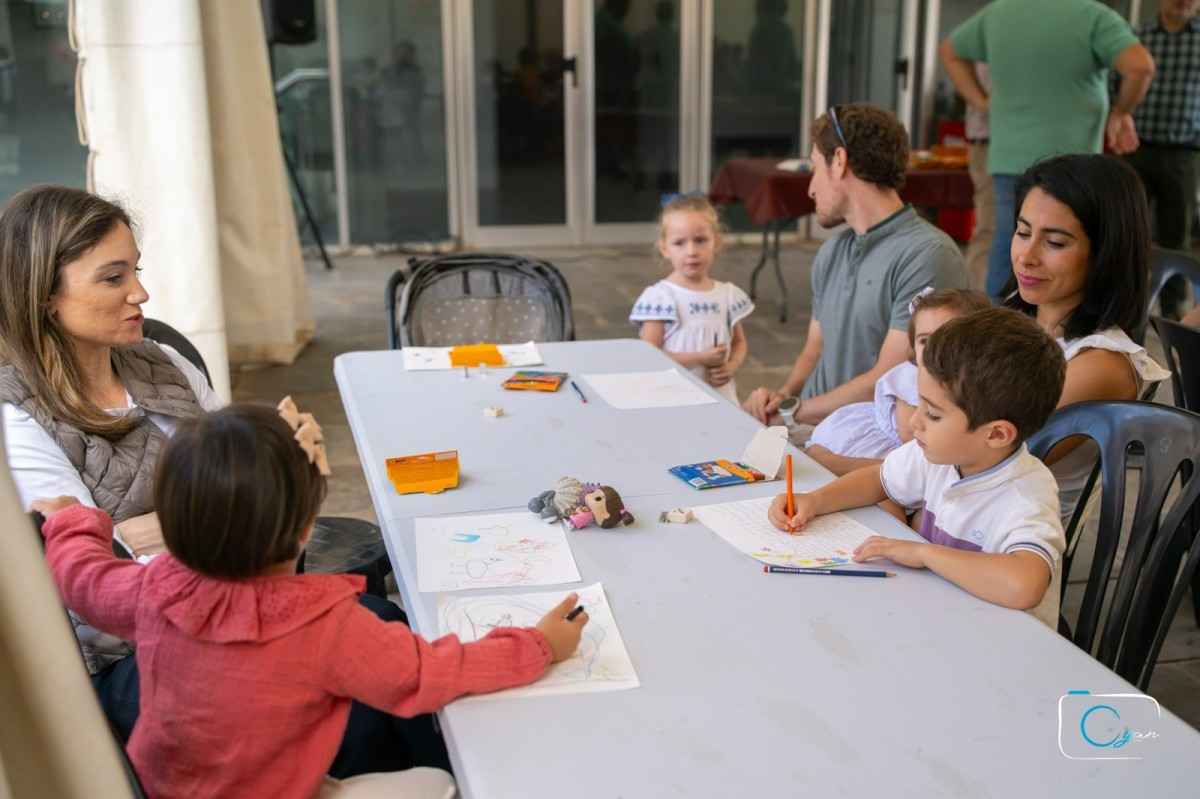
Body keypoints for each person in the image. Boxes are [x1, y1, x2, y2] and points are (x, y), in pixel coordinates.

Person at [0, 185, 437, 777]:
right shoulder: (14, 413)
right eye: (113, 277)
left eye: (137, 270)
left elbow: (237, 483)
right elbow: (83, 564)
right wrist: (237, 500)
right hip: (139, 653)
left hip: (241, 601)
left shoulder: (163, 362)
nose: (141, 293)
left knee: (386, 629)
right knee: (353, 693)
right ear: (45, 294)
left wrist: (271, 466)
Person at [31, 403, 588, 798]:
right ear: (305, 532)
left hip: (163, 787)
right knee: (438, 785)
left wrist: (70, 522)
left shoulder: (154, 588)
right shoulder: (327, 626)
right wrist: (539, 645)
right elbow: (432, 672)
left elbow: (83, 578)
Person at [769, 308, 1067, 628]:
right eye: (920, 402)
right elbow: (879, 480)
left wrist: (924, 554)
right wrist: (815, 501)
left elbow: (1024, 585)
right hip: (939, 616)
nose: (914, 421)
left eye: (933, 414)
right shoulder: (940, 455)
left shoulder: (1025, 497)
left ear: (996, 434)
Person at [742, 103, 967, 431]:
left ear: (840, 160)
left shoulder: (929, 255)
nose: (810, 188)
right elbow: (814, 350)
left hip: (868, 446)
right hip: (813, 431)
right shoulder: (832, 250)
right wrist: (782, 397)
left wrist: (795, 412)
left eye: (815, 168)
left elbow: (886, 379)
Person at [941, 0, 1156, 301]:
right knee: (1067, 252)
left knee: (1008, 249)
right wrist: (1120, 112)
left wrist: (981, 101)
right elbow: (1141, 66)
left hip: (1008, 156)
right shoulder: (1091, 15)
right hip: (1073, 166)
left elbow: (950, 51)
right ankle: (1059, 337)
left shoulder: (1000, 12)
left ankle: (995, 334)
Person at [1001, 153, 1169, 519]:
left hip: (1005, 544)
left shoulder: (1101, 363)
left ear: (1105, 254)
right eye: (1023, 232)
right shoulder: (1021, 316)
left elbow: (987, 455)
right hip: (949, 509)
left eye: (1055, 243)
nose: (1026, 256)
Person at [805, 287, 990, 476]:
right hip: (891, 446)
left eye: (947, 340)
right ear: (913, 346)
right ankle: (835, 464)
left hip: (930, 450)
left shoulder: (973, 381)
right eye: (925, 341)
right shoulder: (910, 376)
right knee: (895, 476)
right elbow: (910, 434)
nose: (934, 350)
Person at [630, 193, 753, 403]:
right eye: (680, 243)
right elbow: (648, 354)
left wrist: (731, 366)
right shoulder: (661, 298)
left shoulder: (726, 295)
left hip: (720, 397)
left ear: (717, 242)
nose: (692, 251)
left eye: (701, 240)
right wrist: (699, 359)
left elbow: (739, 342)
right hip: (672, 398)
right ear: (664, 248)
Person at [1121, 0, 1200, 320]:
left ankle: (1173, 311)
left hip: (1185, 152)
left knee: (1177, 235)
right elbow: (1116, 86)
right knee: (1128, 230)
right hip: (1135, 148)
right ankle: (1126, 306)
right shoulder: (1134, 38)